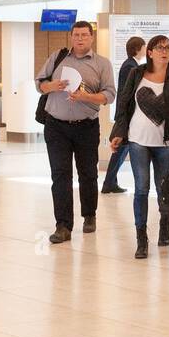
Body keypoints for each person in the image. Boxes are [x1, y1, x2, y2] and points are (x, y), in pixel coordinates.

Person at [35, 21, 116, 244]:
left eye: (84, 35)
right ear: (71, 37)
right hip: (56, 125)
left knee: (88, 173)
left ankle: (89, 215)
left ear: (91, 38)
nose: (80, 39)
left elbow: (109, 95)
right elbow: (39, 84)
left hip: (86, 126)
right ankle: (63, 225)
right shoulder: (58, 57)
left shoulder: (102, 64)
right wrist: (52, 86)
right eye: (76, 35)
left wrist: (86, 97)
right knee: (60, 174)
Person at [108, 35, 169, 258]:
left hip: (165, 142)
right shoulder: (137, 74)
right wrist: (118, 133)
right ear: (150, 52)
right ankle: (141, 237)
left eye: (168, 48)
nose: (164, 51)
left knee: (164, 188)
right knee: (141, 188)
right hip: (137, 140)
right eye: (159, 48)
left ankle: (164, 225)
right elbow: (123, 104)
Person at [101, 36, 144, 194]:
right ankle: (108, 183)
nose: (145, 49)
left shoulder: (131, 64)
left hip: (127, 114)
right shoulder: (130, 66)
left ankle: (110, 182)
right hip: (127, 115)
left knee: (121, 149)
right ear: (137, 49)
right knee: (120, 149)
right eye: (143, 47)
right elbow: (127, 94)